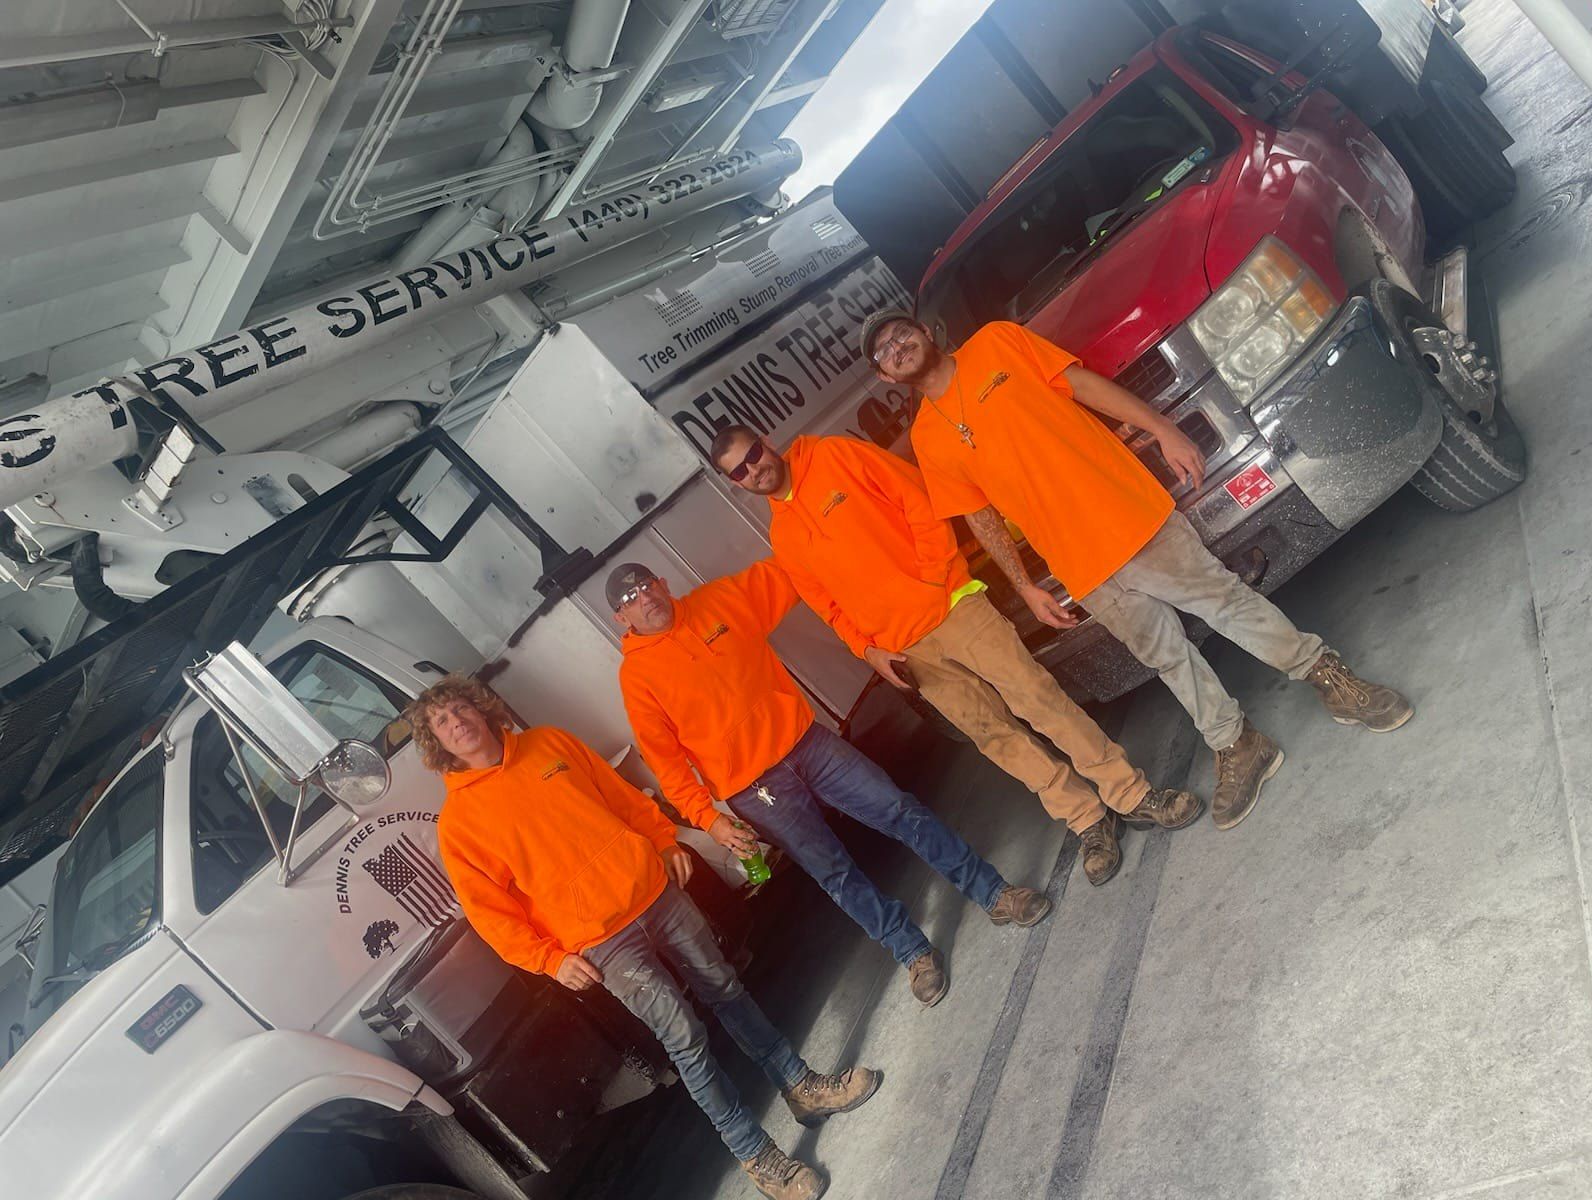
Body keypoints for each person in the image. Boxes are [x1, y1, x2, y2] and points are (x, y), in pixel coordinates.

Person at [862, 309, 1413, 829]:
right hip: (1081, 565)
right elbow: (979, 517)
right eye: (885, 351)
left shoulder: (997, 341)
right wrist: (1026, 586)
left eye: (900, 333)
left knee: (1224, 602)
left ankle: (1328, 676)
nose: (897, 347)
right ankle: (1236, 743)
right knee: (1164, 656)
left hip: (1127, 514)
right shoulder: (927, 439)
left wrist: (1162, 429)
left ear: (925, 332)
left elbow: (1084, 386)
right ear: (886, 375)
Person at [409, 675, 877, 1200]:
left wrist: (662, 837)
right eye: (442, 724)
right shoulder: (459, 824)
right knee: (687, 1041)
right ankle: (758, 1157)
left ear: (479, 708)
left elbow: (618, 796)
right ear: (439, 746)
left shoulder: (549, 743)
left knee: (727, 990)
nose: (457, 723)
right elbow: (489, 912)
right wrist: (548, 959)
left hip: (655, 894)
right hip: (602, 942)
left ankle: (803, 1086)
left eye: (459, 709)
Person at [708, 423, 1200, 885]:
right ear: (736, 483)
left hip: (955, 608)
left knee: (1039, 700)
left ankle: (1131, 793)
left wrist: (933, 578)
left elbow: (919, 500)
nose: (754, 470)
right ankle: (1085, 818)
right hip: (909, 652)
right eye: (740, 471)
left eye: (753, 455)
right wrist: (869, 651)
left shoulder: (836, 454)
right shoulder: (783, 535)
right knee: (995, 736)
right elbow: (828, 606)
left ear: (767, 443)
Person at [610, 558, 1052, 1008]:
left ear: (663, 584)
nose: (644, 598)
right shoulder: (637, 679)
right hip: (755, 792)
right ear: (621, 618)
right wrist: (709, 821)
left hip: (808, 744)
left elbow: (796, 567)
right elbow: (667, 764)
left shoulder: (722, 599)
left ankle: (993, 891)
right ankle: (912, 952)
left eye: (646, 585)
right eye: (630, 599)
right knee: (835, 873)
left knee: (899, 810)